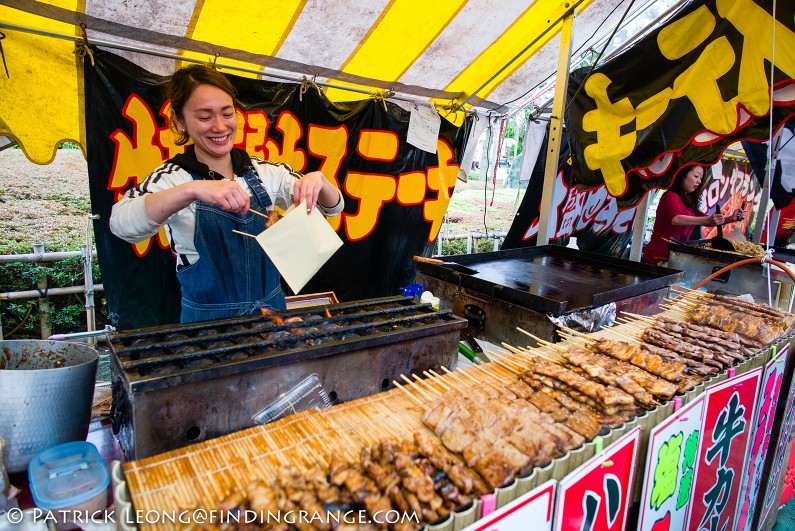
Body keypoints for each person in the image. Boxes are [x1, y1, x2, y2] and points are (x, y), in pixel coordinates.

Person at [110, 64, 344, 323]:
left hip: (273, 312)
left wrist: (319, 182)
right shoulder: (172, 178)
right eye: (204, 116)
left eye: (227, 113)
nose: (220, 126)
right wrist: (192, 190)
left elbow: (332, 208)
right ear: (179, 120)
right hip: (208, 322)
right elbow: (122, 225)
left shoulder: (266, 172)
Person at [641, 166, 744, 265]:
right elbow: (676, 219)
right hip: (657, 258)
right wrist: (709, 220)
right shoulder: (671, 196)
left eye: (701, 178)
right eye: (696, 176)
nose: (699, 181)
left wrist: (730, 219)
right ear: (683, 175)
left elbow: (706, 219)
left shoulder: (688, 201)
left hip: (674, 258)